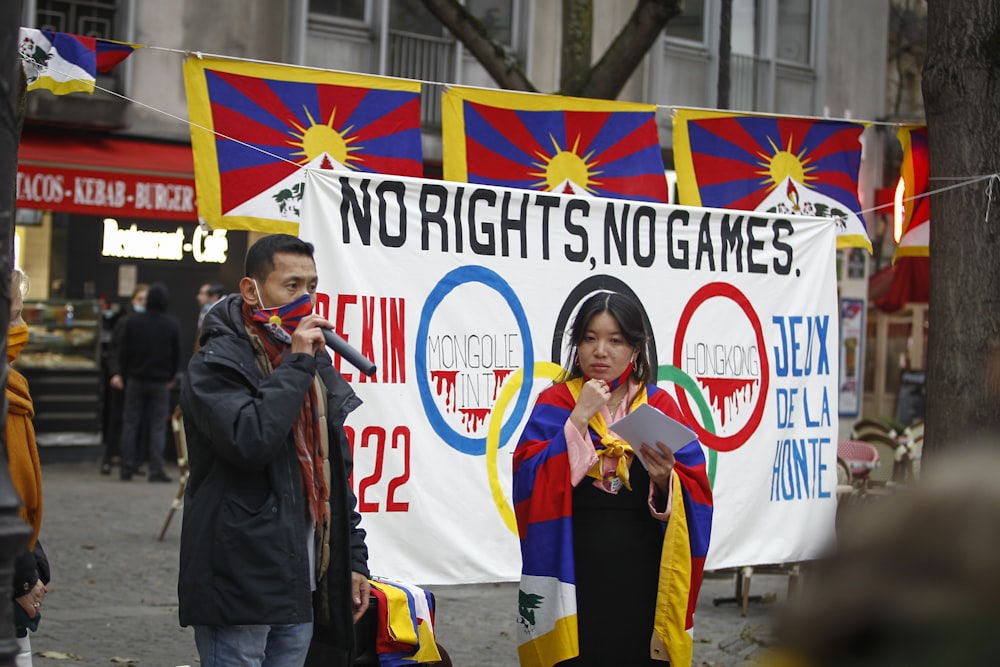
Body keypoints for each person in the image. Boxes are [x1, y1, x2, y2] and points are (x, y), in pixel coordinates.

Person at [178, 234, 370, 667]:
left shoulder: (311, 363)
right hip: (238, 583)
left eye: (312, 286)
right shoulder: (216, 362)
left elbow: (333, 472)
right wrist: (298, 363)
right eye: (291, 285)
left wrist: (354, 558)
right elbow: (251, 441)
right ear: (252, 290)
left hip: (299, 582)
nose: (305, 298)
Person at [513, 291, 713, 667]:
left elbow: (697, 496)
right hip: (572, 569)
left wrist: (665, 482)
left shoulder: (659, 408)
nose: (600, 351)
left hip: (641, 572)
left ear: (635, 350)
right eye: (589, 338)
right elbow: (529, 483)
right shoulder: (556, 403)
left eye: (615, 340)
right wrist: (578, 418)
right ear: (576, 347)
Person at [7, 268, 51, 666]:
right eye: (16, 315)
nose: (23, 327)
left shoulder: (13, 386)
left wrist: (33, 550)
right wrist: (21, 572)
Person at [115, 281, 181, 482]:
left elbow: (123, 351)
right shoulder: (171, 325)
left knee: (130, 423)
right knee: (158, 425)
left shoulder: (132, 322)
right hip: (159, 382)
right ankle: (156, 469)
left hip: (135, 379)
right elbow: (176, 355)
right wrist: (170, 377)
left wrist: (124, 374)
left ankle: (126, 467)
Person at [101, 283, 148, 475]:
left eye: (146, 300)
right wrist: (115, 373)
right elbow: (115, 350)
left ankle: (132, 460)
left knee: (136, 420)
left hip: (136, 376)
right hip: (124, 376)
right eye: (140, 299)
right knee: (116, 419)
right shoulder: (125, 321)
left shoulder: (145, 321)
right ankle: (108, 458)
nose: (143, 303)